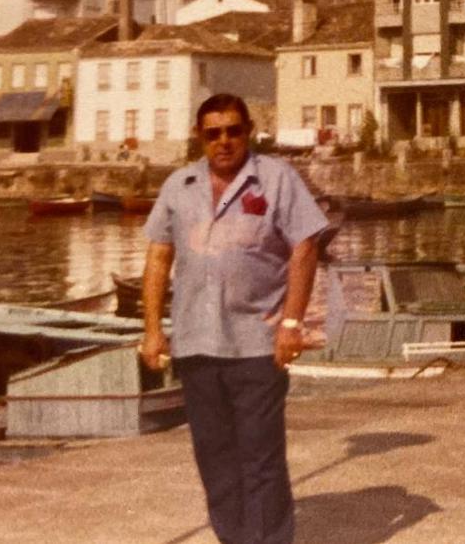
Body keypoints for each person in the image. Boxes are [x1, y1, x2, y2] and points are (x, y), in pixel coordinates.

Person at [140, 93, 327, 544]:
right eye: (213, 133)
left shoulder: (277, 179)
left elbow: (306, 246)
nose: (224, 141)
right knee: (214, 456)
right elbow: (158, 258)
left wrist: (291, 324)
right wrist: (151, 331)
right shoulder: (178, 186)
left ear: (248, 132)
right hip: (196, 345)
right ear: (199, 138)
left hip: (257, 345)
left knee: (261, 457)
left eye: (233, 131)